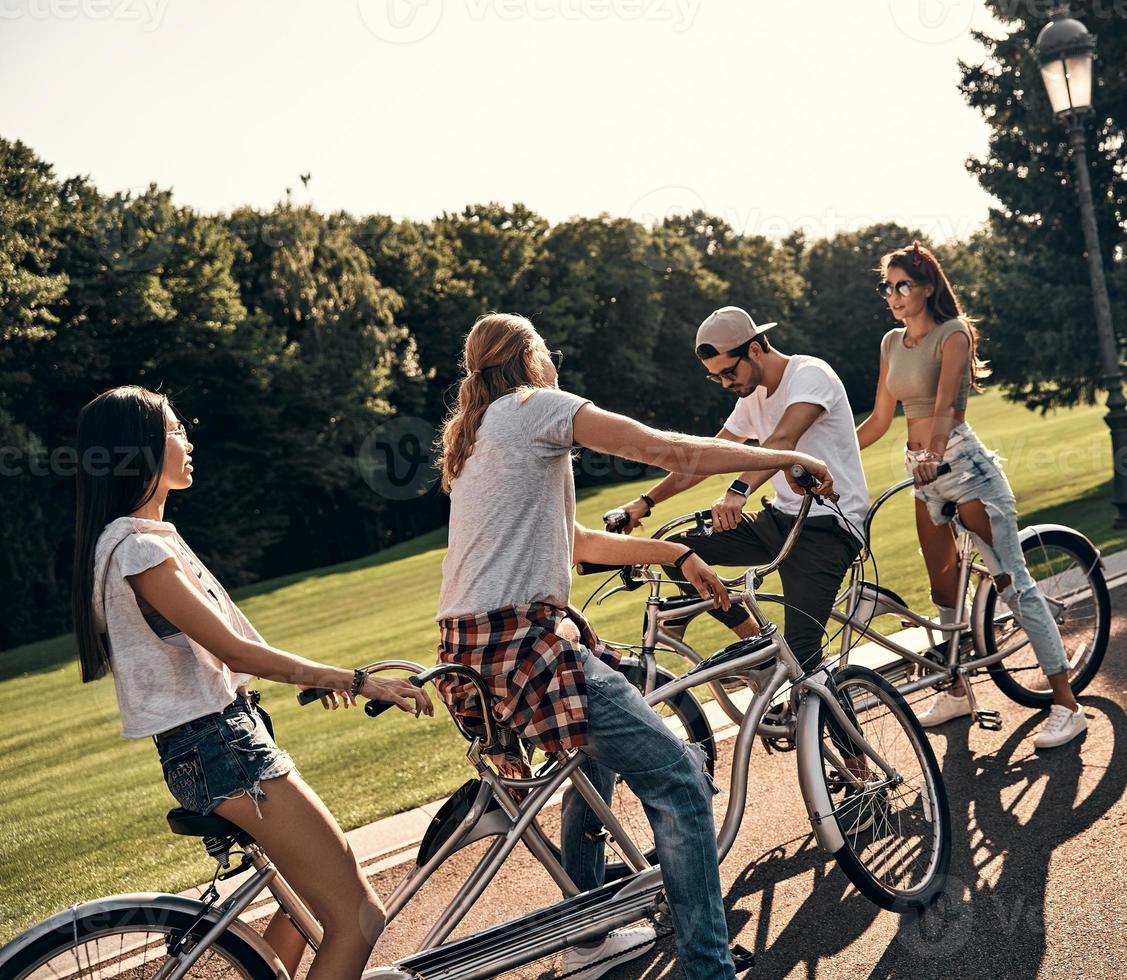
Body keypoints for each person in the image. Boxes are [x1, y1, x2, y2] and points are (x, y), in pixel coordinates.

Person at [433, 312, 835, 980]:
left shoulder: (480, 431)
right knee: (678, 777)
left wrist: (676, 553)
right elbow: (674, 453)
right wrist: (786, 457)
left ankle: (588, 936)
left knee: (592, 758)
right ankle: (709, 970)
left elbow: (578, 544)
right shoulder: (536, 407)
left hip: (475, 650)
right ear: (532, 359)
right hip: (523, 641)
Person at [72, 386, 433, 980]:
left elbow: (224, 655)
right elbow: (235, 649)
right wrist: (357, 679)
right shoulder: (137, 548)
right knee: (359, 918)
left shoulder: (141, 540)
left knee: (302, 914)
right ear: (136, 450)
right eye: (175, 430)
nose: (189, 442)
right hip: (223, 750)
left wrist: (312, 680)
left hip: (217, 744)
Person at [855, 241, 1088, 749]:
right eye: (887, 287)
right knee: (942, 590)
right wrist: (826, 455)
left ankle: (1068, 705)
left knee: (1012, 583)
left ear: (928, 287)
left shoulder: (953, 334)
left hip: (963, 466)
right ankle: (958, 689)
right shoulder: (891, 343)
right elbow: (878, 419)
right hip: (922, 472)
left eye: (903, 286)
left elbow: (942, 410)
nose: (893, 296)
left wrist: (932, 454)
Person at [613, 306, 870, 675]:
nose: (725, 384)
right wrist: (643, 503)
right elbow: (704, 457)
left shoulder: (810, 375)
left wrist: (738, 489)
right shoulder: (752, 396)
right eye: (715, 378)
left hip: (829, 528)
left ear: (755, 349)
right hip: (781, 519)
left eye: (729, 373)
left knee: (803, 660)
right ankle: (758, 650)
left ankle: (837, 724)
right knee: (679, 554)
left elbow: (783, 441)